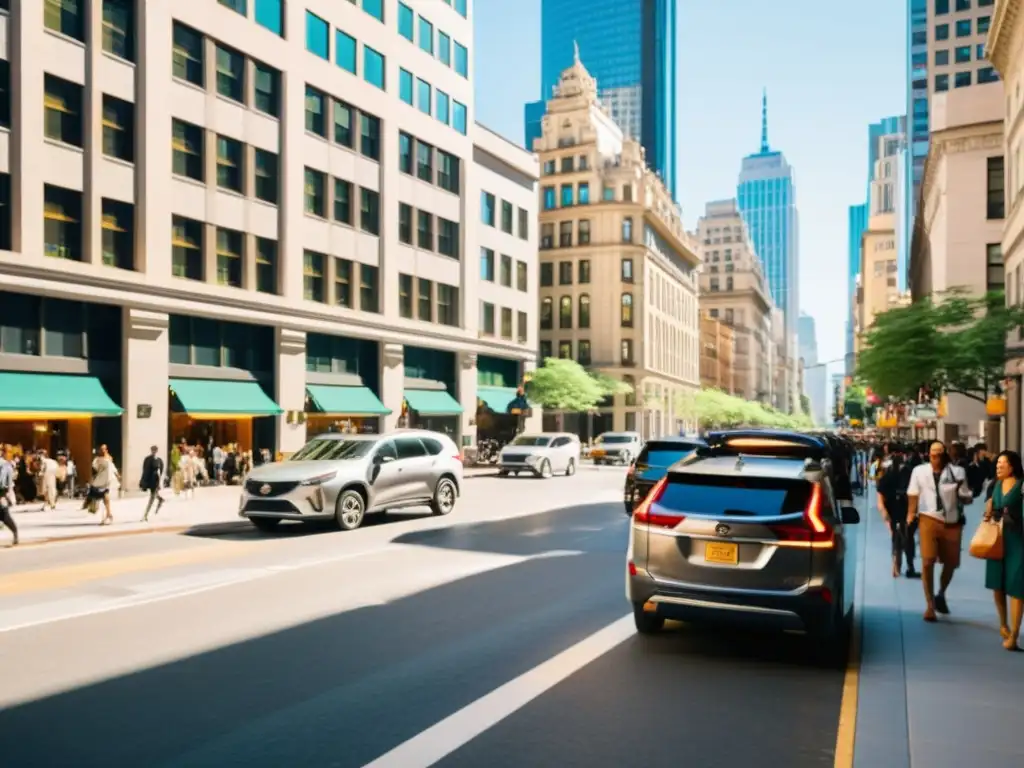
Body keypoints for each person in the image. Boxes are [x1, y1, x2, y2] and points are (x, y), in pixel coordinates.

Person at [907, 440, 974, 621]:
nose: (936, 458)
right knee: (928, 560)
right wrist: (910, 514)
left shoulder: (957, 472)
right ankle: (929, 605)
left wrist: (961, 491)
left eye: (939, 454)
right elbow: (913, 493)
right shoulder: (919, 471)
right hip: (928, 517)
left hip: (952, 521)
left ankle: (941, 593)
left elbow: (967, 497)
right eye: (933, 454)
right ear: (928, 455)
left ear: (945, 454)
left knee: (951, 562)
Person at [984, 450, 1024, 650]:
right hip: (997, 539)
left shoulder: (1021, 486)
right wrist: (988, 510)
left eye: (1002, 463)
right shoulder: (996, 485)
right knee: (997, 583)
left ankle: (1015, 635)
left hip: (1018, 541)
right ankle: (1003, 624)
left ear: (1013, 466)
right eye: (997, 463)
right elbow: (988, 510)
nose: (998, 467)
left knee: (1018, 587)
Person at [877, 447, 918, 578]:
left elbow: (880, 496)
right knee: (908, 538)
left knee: (896, 536)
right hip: (906, 510)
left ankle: (896, 564)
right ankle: (909, 565)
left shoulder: (887, 475)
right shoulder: (911, 473)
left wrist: (883, 511)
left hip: (893, 510)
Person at [90, 445, 118, 525]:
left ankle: (107, 515)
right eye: (101, 449)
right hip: (102, 480)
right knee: (104, 498)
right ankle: (108, 515)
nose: (103, 451)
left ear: (106, 450)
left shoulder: (109, 458)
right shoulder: (97, 460)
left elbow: (112, 467)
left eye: (104, 449)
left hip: (109, 480)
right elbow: (95, 469)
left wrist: (117, 475)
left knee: (105, 497)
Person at [140, 445, 165, 522]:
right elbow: (144, 470)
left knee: (152, 497)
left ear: (157, 451)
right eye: (152, 450)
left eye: (155, 450)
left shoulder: (159, 460)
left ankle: (145, 515)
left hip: (155, 481)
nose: (153, 451)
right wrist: (143, 481)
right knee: (154, 495)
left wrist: (160, 482)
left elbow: (160, 472)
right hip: (149, 480)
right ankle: (160, 499)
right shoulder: (147, 459)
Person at [0, 443, 18, 546]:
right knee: (5, 516)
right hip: (2, 492)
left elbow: (4, 482)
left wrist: (4, 494)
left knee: (5, 516)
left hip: (1, 493)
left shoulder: (6, 465)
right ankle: (15, 533)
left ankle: (15, 533)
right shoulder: (6, 464)